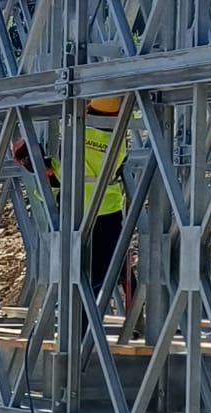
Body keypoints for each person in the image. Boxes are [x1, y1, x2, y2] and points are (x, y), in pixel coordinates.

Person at [11, 97, 135, 313]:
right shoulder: (116, 135)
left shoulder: (76, 131)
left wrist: (37, 163)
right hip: (107, 210)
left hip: (75, 212)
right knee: (110, 266)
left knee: (85, 275)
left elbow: (57, 176)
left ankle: (80, 327)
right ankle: (129, 314)